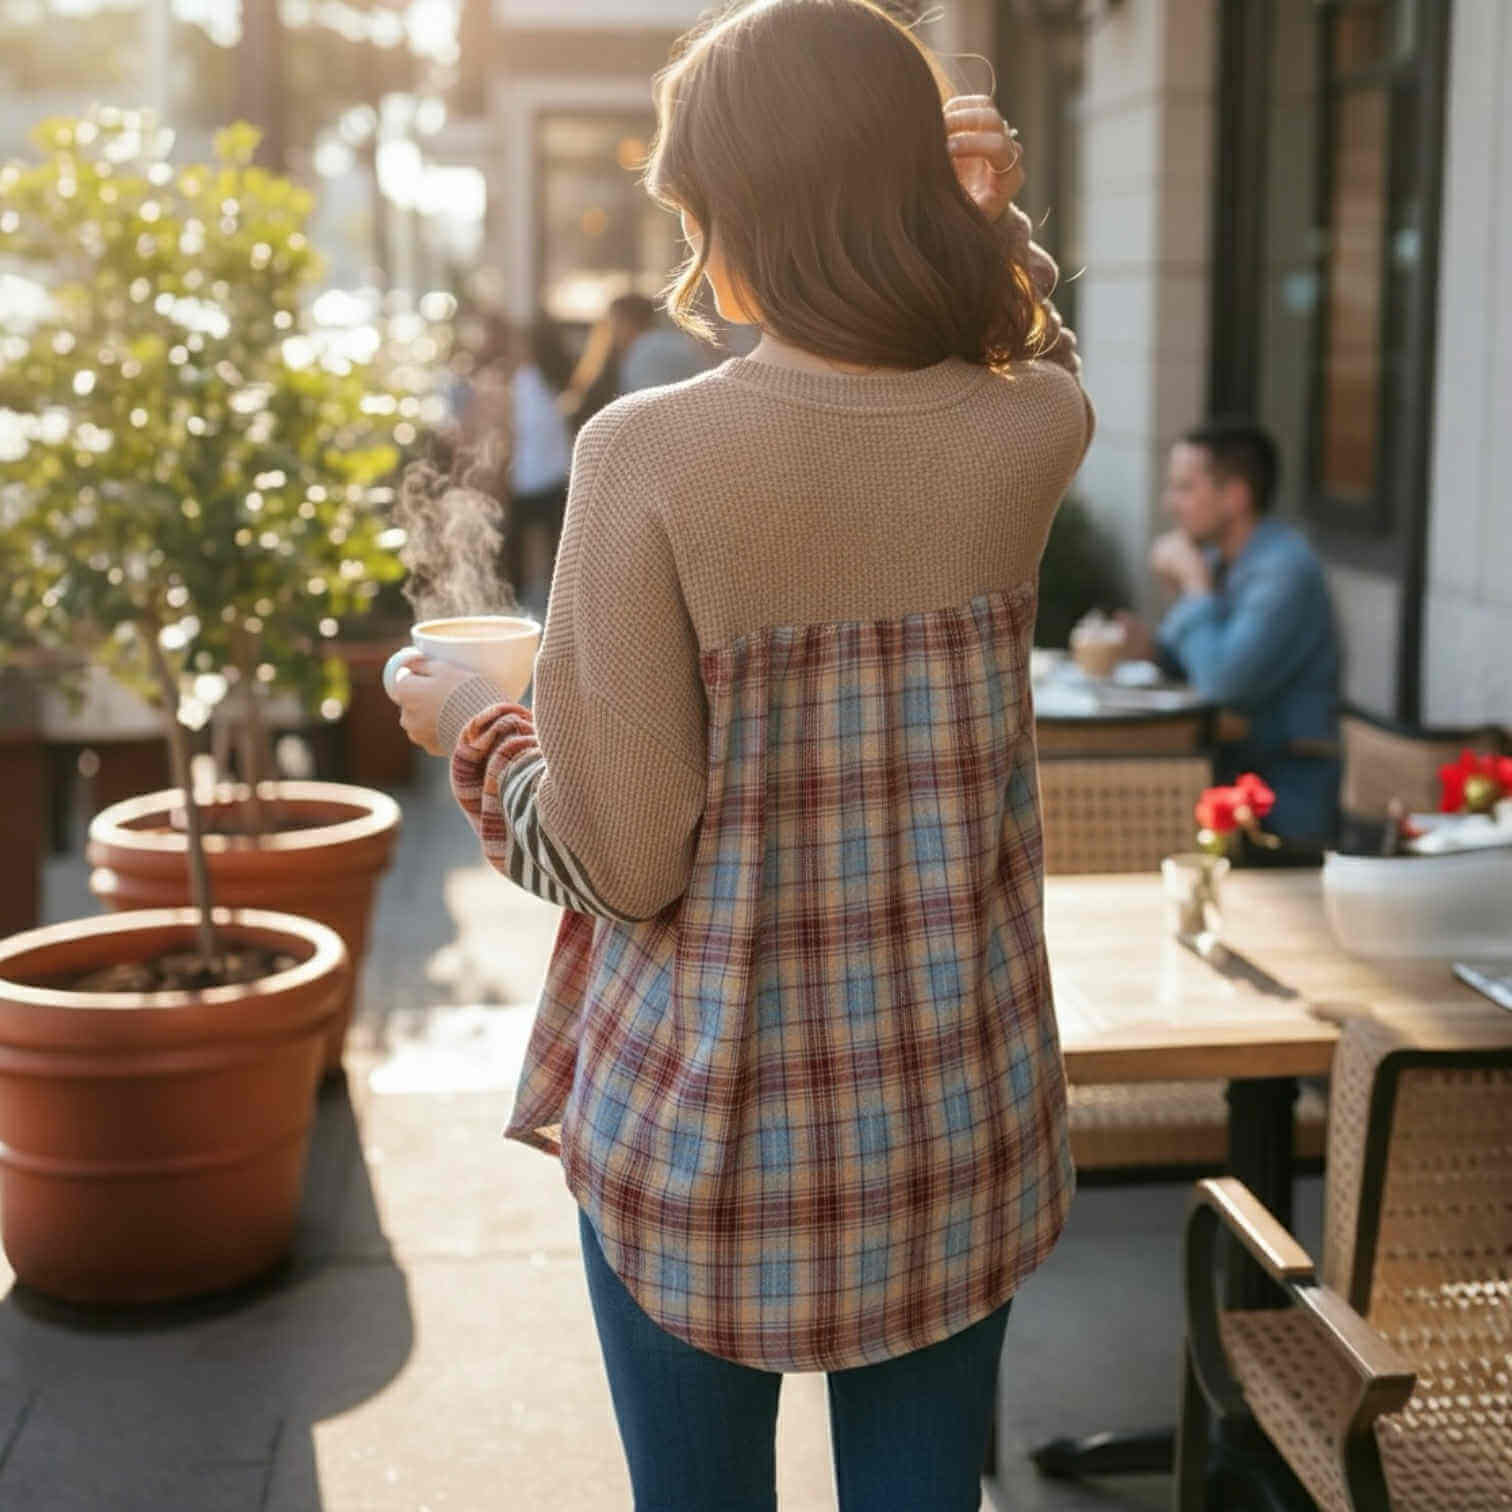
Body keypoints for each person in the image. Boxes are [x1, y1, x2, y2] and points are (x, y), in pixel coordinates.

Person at [392, 2, 1092, 1506]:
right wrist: (985, 211)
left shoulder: (644, 456)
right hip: (958, 1127)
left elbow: (620, 856)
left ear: (733, 202)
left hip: (715, 1146)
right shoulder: (1031, 429)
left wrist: (479, 734)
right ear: (906, 180)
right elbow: (1028, 334)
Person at [1118, 421, 1340, 854]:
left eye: (1185, 488)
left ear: (1235, 496)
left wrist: (1194, 587)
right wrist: (1150, 649)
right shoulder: (1223, 559)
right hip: (1221, 790)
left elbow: (1223, 682)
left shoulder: (1284, 571)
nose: (1170, 503)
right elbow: (1192, 667)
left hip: (1281, 815)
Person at [504, 313, 574, 616]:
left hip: (528, 475)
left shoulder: (526, 379)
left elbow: (516, 428)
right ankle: (553, 606)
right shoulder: (563, 377)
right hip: (558, 473)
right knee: (555, 546)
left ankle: (522, 607)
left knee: (519, 545)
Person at [611, 291, 711, 391]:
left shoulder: (643, 353)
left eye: (615, 322)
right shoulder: (678, 340)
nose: (612, 330)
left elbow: (647, 400)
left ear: (626, 321)